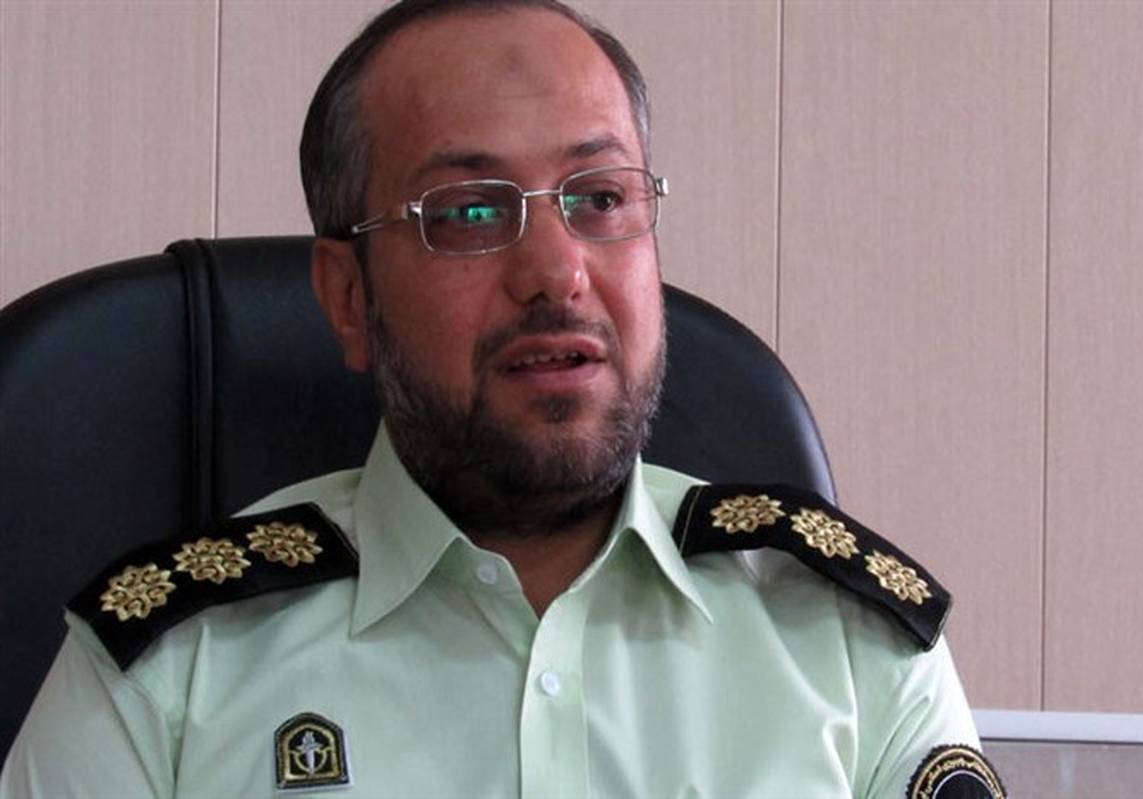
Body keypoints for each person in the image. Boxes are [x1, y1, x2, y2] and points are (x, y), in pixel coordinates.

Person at [0, 1, 1004, 797]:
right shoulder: (168, 671)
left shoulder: (847, 647)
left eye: (600, 198)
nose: (557, 273)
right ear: (347, 298)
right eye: (470, 212)